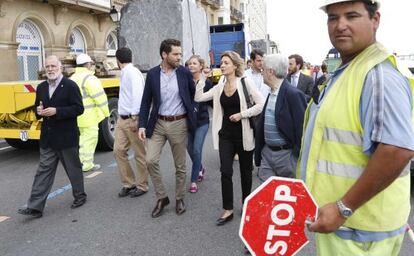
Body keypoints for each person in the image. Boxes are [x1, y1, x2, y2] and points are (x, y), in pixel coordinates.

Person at [298, 1, 414, 255]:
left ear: (375, 19)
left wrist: (343, 208)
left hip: (360, 232)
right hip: (346, 226)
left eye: (352, 16)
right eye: (333, 18)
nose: (340, 25)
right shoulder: (350, 70)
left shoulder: (378, 75)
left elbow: (397, 150)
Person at [195, 51, 264, 226]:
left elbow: (260, 104)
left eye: (226, 62)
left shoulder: (245, 82)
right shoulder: (219, 86)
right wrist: (202, 80)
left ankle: (246, 203)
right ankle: (228, 209)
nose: (222, 65)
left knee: (245, 173)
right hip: (225, 135)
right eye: (221, 62)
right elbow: (199, 97)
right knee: (225, 171)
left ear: (235, 65)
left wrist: (242, 114)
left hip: (243, 135)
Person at [18, 55, 86, 218]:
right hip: (48, 138)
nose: (50, 69)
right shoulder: (41, 87)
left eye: (53, 66)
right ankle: (35, 206)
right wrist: (38, 112)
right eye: (47, 67)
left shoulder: (70, 86)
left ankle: (80, 196)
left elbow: (79, 108)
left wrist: (58, 111)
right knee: (43, 172)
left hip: (66, 137)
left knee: (73, 169)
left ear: (60, 67)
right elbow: (37, 107)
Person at [138, 39, 196, 218]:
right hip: (158, 123)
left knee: (180, 165)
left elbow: (191, 95)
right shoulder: (153, 74)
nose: (180, 57)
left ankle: (179, 198)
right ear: (164, 55)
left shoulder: (185, 73)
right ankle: (162, 197)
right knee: (150, 160)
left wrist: (191, 114)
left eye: (180, 53)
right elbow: (146, 101)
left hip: (179, 123)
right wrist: (141, 124)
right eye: (176, 54)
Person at [254, 54, 306, 182]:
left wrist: (294, 157)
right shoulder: (271, 92)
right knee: (266, 197)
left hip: (286, 157)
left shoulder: (293, 94)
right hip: (267, 155)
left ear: (271, 72)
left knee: (287, 199)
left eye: (263, 70)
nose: (261, 73)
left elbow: (302, 129)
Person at [114, 47, 149, 198]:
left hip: (132, 119)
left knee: (140, 154)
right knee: (118, 151)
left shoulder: (132, 73)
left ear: (117, 60)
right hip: (122, 119)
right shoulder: (125, 72)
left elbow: (138, 96)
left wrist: (136, 118)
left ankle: (142, 186)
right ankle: (129, 183)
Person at [70, 53, 109, 172]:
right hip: (89, 116)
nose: (92, 66)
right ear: (87, 65)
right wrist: (106, 113)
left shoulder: (72, 78)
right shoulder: (89, 78)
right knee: (90, 139)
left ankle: (80, 162)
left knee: (82, 140)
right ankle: (86, 164)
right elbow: (100, 97)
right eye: (91, 64)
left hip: (76, 116)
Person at [186, 55, 213, 193]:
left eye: (194, 63)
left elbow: (213, 102)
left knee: (196, 149)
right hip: (187, 122)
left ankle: (193, 180)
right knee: (190, 150)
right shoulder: (185, 81)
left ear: (201, 66)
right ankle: (200, 167)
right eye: (189, 63)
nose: (191, 66)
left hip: (202, 121)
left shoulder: (207, 83)